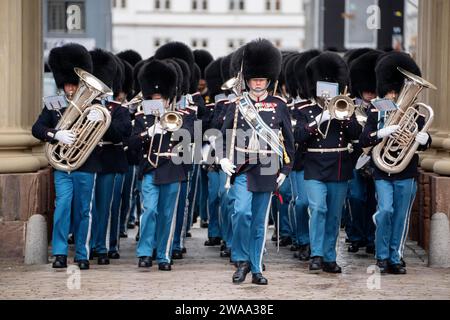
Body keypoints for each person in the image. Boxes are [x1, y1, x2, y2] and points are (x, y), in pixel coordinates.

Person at [220, 39, 295, 285]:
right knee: (241, 212)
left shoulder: (279, 105)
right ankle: (240, 260)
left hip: (267, 168)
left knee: (260, 221)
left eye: (262, 78)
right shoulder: (237, 105)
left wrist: (285, 168)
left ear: (269, 79)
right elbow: (222, 136)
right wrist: (222, 158)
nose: (259, 82)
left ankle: (255, 266)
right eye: (254, 78)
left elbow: (289, 142)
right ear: (248, 79)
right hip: (242, 167)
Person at [359, 52, 432, 274]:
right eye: (390, 90)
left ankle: (395, 256)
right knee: (385, 212)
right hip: (382, 171)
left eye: (395, 90)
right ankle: (381, 256)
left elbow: (424, 141)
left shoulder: (417, 113)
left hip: (406, 171)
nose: (392, 94)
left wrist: (424, 140)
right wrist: (382, 131)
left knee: (401, 216)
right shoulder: (375, 110)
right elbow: (364, 140)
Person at [32, 43, 99, 270]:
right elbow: (37, 129)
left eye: (74, 84)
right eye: (67, 84)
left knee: (83, 211)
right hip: (63, 166)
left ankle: (82, 253)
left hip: (86, 165)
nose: (70, 89)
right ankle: (59, 253)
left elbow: (111, 131)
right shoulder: (54, 104)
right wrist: (56, 134)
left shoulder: (94, 105)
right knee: (62, 208)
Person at [294, 52, 362, 273]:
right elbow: (298, 137)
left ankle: (330, 257)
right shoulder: (305, 110)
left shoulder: (345, 107)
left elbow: (357, 136)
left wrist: (344, 117)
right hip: (314, 165)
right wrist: (319, 120)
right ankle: (316, 254)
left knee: (334, 214)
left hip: (339, 165)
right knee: (317, 208)